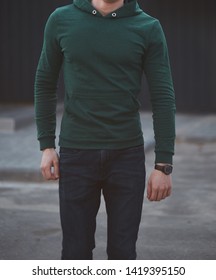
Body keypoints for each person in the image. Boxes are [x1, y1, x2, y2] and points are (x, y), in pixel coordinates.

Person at [34, 0, 176, 260]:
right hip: (76, 153)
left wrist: (163, 165)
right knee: (75, 253)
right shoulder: (61, 20)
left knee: (123, 254)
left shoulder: (147, 26)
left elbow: (163, 96)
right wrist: (47, 146)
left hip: (127, 155)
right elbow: (45, 82)